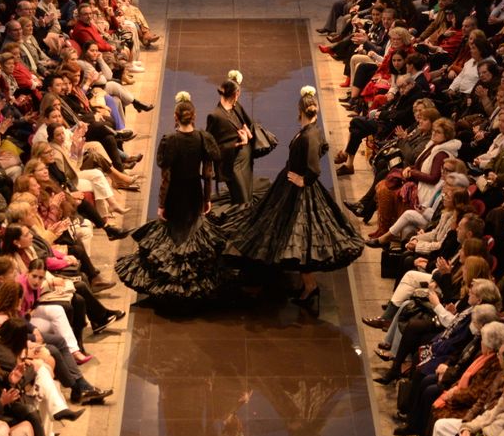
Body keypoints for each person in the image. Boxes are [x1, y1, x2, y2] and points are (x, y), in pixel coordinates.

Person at [221, 86, 363, 305]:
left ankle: (309, 287)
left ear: (300, 111)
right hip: (289, 184)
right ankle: (306, 286)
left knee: (299, 235)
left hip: (298, 191)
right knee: (291, 233)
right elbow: (323, 148)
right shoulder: (311, 130)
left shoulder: (309, 135)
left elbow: (314, 168)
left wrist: (303, 179)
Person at [116, 92, 228, 301]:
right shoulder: (204, 138)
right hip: (194, 191)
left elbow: (166, 178)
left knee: (173, 235)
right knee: (191, 233)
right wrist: (207, 198)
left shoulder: (170, 140)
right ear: (193, 117)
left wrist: (161, 204)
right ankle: (191, 286)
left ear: (176, 117)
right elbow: (207, 173)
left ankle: (171, 286)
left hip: (175, 193)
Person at [204, 72, 255, 204]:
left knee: (247, 196)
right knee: (241, 199)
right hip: (232, 163)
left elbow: (247, 124)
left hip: (245, 160)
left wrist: (247, 136)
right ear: (235, 94)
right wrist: (236, 145)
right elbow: (209, 145)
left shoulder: (236, 106)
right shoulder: (215, 116)